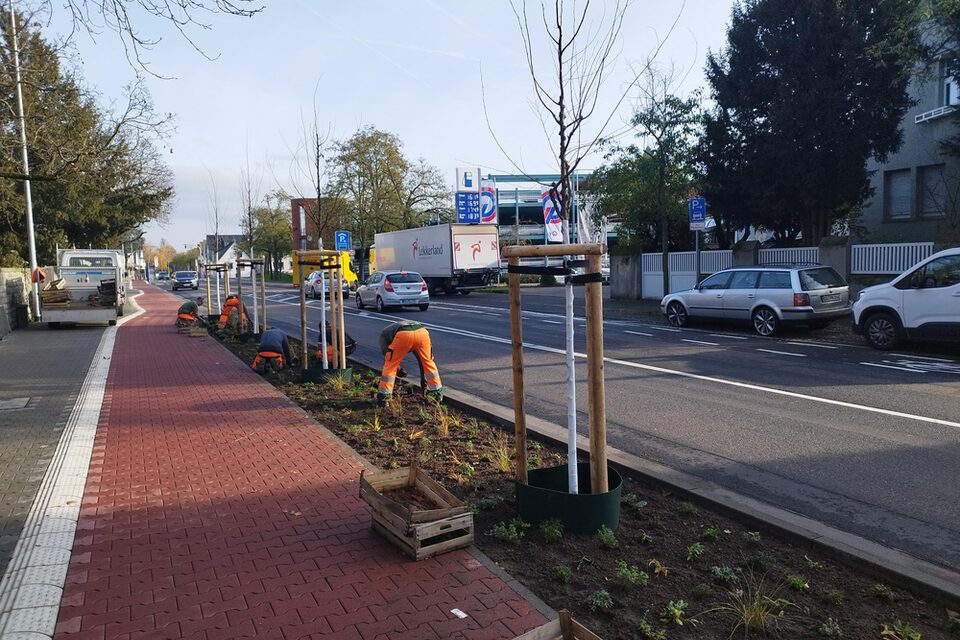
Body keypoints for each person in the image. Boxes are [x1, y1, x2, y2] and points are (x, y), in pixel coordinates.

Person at [377, 320, 441, 406]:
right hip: (422, 332)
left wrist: (398, 369)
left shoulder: (383, 337)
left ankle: (384, 399)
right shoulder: (390, 333)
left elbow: (388, 358)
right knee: (428, 362)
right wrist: (424, 384)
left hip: (404, 334)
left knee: (390, 365)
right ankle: (436, 395)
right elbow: (421, 362)